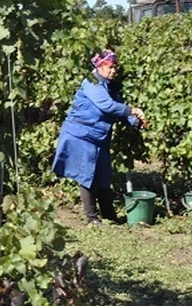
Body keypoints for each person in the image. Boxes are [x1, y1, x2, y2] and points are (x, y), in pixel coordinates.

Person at [51, 49, 147, 225]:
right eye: (109, 67)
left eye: (114, 68)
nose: (113, 71)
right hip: (82, 135)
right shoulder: (91, 81)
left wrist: (136, 122)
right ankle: (92, 218)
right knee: (87, 175)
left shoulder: (109, 85)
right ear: (100, 66)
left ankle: (109, 216)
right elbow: (107, 106)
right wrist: (133, 109)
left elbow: (117, 107)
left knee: (103, 175)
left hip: (99, 136)